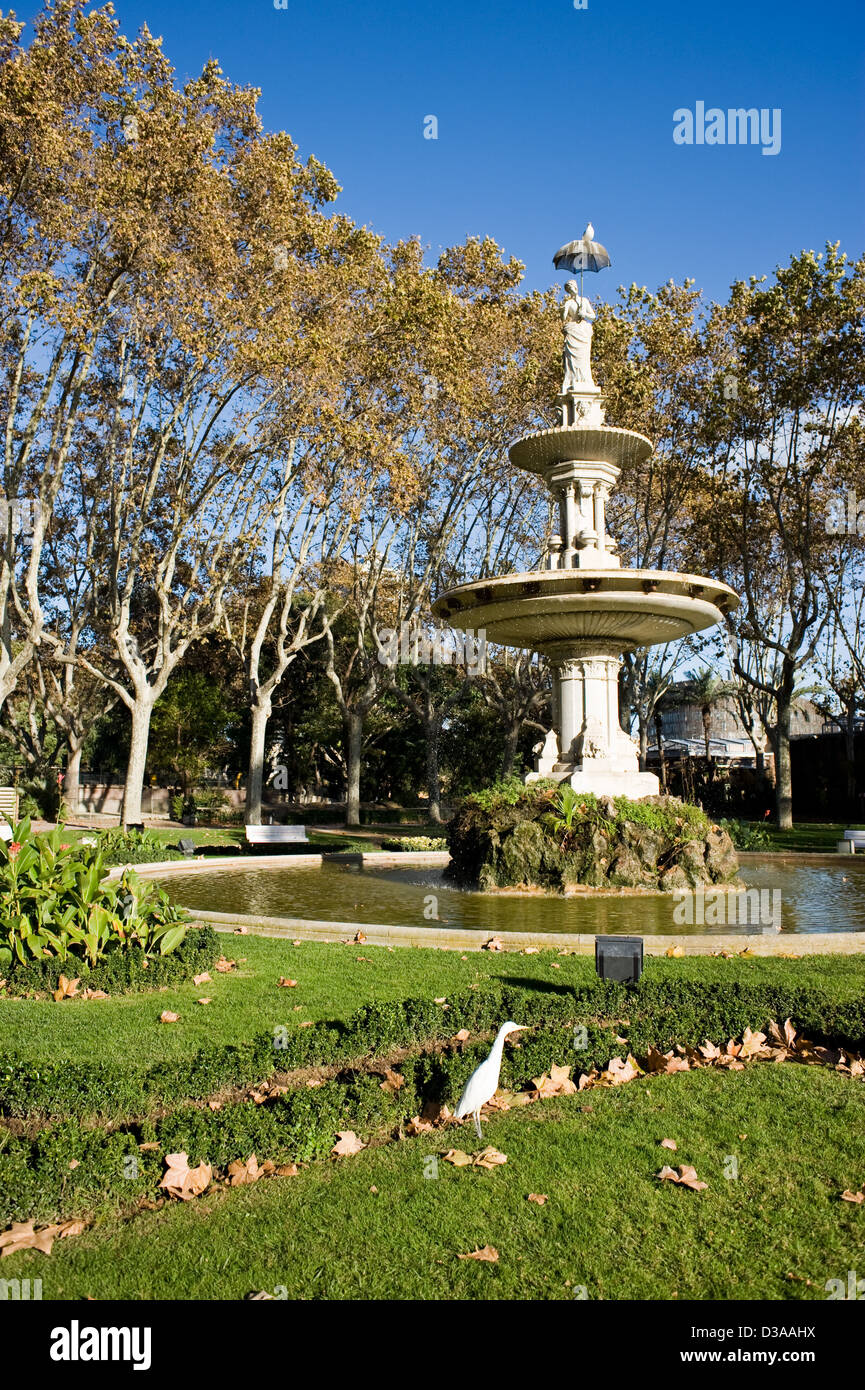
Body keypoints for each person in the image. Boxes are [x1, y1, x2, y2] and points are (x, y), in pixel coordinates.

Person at [561, 280, 596, 392]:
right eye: (569, 288)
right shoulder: (568, 303)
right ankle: (571, 379)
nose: (572, 289)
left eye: (572, 287)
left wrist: (584, 314)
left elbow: (593, 316)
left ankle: (585, 379)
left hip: (583, 331)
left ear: (576, 287)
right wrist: (562, 311)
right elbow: (563, 317)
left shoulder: (584, 301)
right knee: (571, 359)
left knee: (584, 358)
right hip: (573, 331)